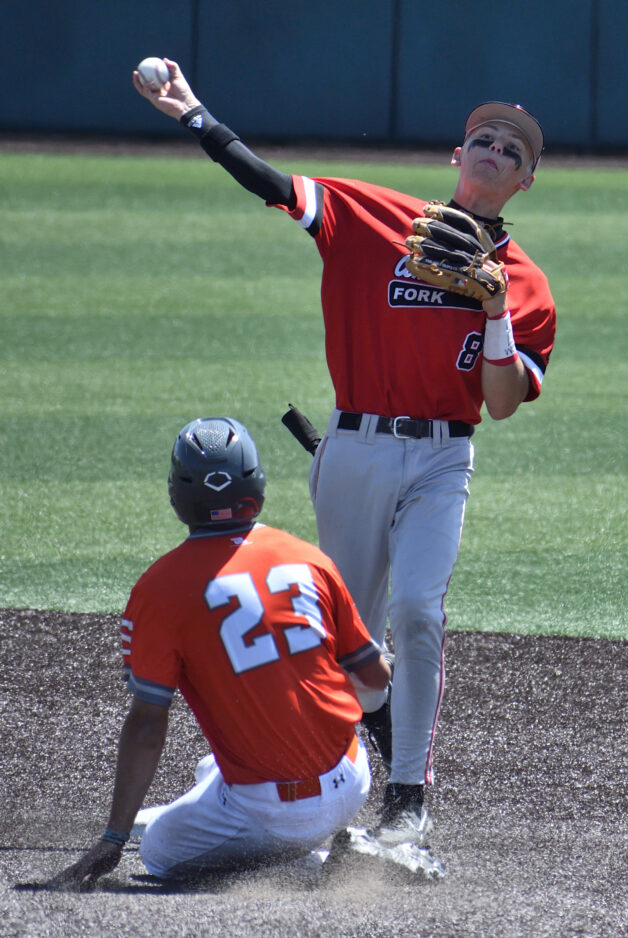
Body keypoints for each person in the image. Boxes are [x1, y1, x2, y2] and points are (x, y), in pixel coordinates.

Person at [132, 62, 557, 843]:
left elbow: (500, 405)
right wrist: (193, 112)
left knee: (419, 613)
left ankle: (408, 799)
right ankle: (321, 780)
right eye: (483, 139)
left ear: (526, 180)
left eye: (514, 150)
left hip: (441, 460)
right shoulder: (372, 215)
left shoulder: (528, 288)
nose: (496, 149)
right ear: (455, 159)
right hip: (354, 450)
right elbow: (271, 184)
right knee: (353, 643)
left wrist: (494, 306)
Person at [49, 417, 390, 888]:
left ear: (178, 494)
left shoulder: (159, 587)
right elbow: (375, 679)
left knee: (158, 850)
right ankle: (310, 835)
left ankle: (304, 863)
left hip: (273, 812)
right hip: (352, 780)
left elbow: (148, 723)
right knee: (211, 767)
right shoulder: (308, 558)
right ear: (256, 484)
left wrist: (113, 836)